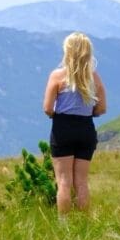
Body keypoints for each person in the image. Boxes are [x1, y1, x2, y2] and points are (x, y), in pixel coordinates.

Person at [43, 32, 107, 215]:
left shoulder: (57, 76)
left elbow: (47, 108)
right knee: (81, 181)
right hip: (86, 128)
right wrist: (87, 113)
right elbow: (102, 108)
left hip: (63, 127)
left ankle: (64, 224)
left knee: (64, 181)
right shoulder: (94, 78)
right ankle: (84, 222)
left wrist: (59, 115)